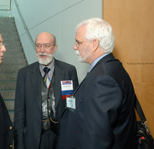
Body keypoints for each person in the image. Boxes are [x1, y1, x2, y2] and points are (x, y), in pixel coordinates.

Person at [58, 18, 137, 149]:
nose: (74, 47)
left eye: (78, 42)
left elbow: (97, 138)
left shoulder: (103, 79)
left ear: (94, 44)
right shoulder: (112, 68)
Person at [14, 32, 79, 149]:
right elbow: (19, 112)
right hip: (34, 138)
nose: (41, 50)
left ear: (55, 48)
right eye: (38, 45)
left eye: (47, 45)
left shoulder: (69, 71)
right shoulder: (24, 74)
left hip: (61, 137)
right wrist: (19, 143)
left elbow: (73, 107)